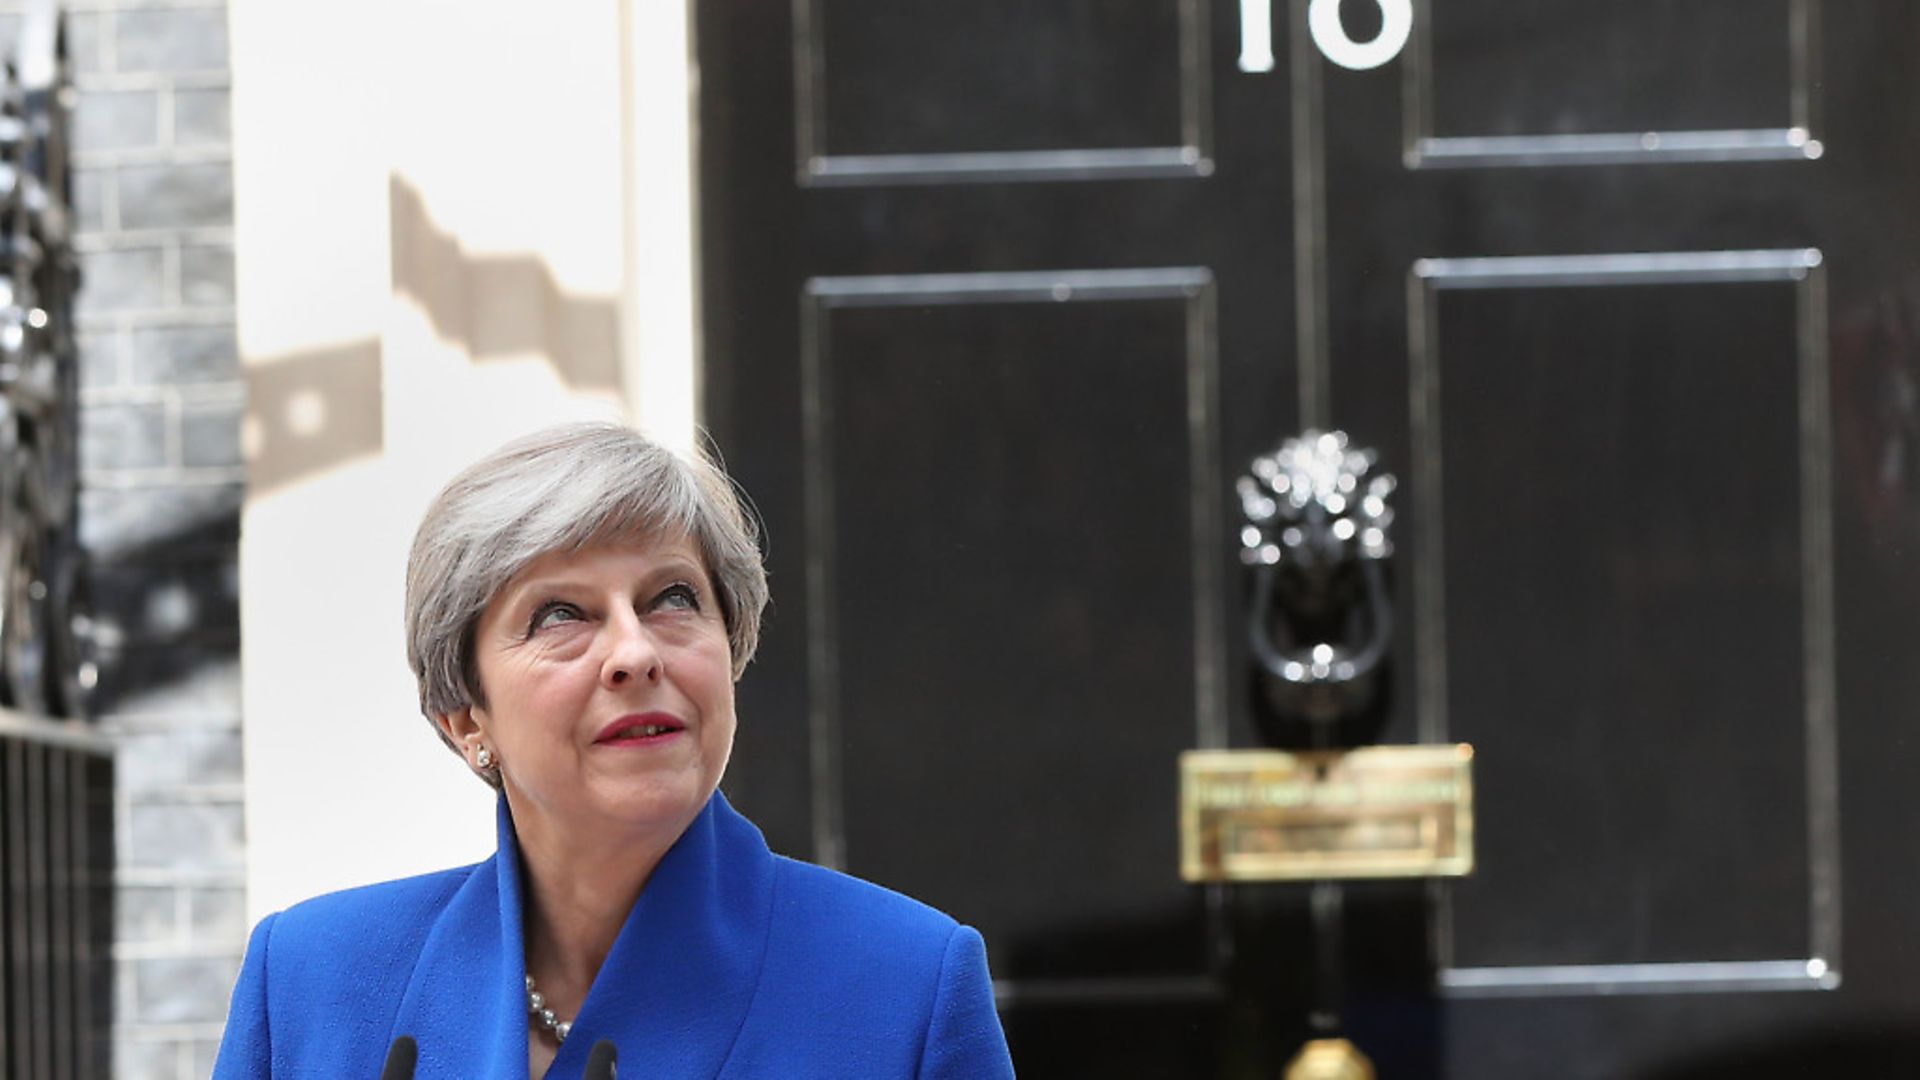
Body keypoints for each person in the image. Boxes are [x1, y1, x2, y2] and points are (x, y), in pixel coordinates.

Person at [212, 423, 1016, 1078]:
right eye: (560, 615)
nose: (635, 653)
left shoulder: (908, 985)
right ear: (465, 719)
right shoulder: (311, 981)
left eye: (672, 599)